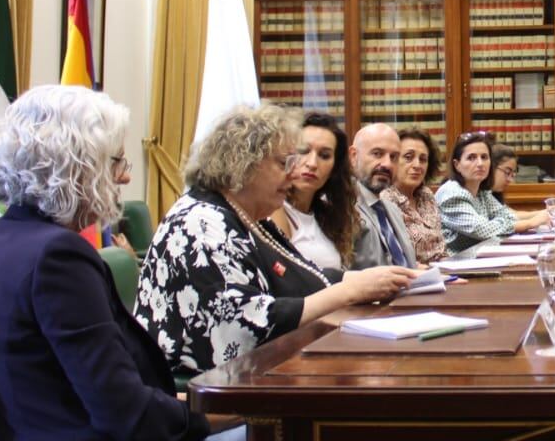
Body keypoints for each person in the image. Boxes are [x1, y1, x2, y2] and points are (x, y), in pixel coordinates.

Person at [0, 85, 242, 441]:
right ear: (74, 164)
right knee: (280, 434)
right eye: (116, 161)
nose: (126, 176)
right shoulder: (57, 257)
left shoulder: (5, 240)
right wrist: (235, 412)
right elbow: (128, 415)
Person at [135, 104, 419, 374]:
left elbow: (299, 274)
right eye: (285, 163)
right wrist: (347, 292)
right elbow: (242, 324)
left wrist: (360, 281)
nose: (295, 172)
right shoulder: (202, 221)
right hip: (207, 387)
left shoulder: (245, 217)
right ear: (242, 164)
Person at [435, 131, 550, 253]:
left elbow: (508, 216)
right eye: (471, 158)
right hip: (453, 264)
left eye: (484, 157)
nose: (480, 163)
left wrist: (496, 223)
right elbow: (481, 229)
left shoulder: (482, 192)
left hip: (478, 259)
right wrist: (530, 223)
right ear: (457, 165)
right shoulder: (452, 193)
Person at [268, 112, 356, 270]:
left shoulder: (328, 215)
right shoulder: (272, 208)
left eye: (324, 155)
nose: (312, 163)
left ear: (334, 168)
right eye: (303, 151)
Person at [348, 123, 418, 269]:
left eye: (393, 157)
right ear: (353, 156)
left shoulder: (391, 209)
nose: (387, 164)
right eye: (377, 154)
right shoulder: (342, 206)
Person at [382, 127, 448, 265]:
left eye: (423, 159)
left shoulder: (427, 196)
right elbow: (389, 257)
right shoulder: (384, 200)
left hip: (443, 272)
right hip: (410, 279)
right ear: (392, 160)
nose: (417, 165)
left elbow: (441, 249)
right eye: (408, 157)